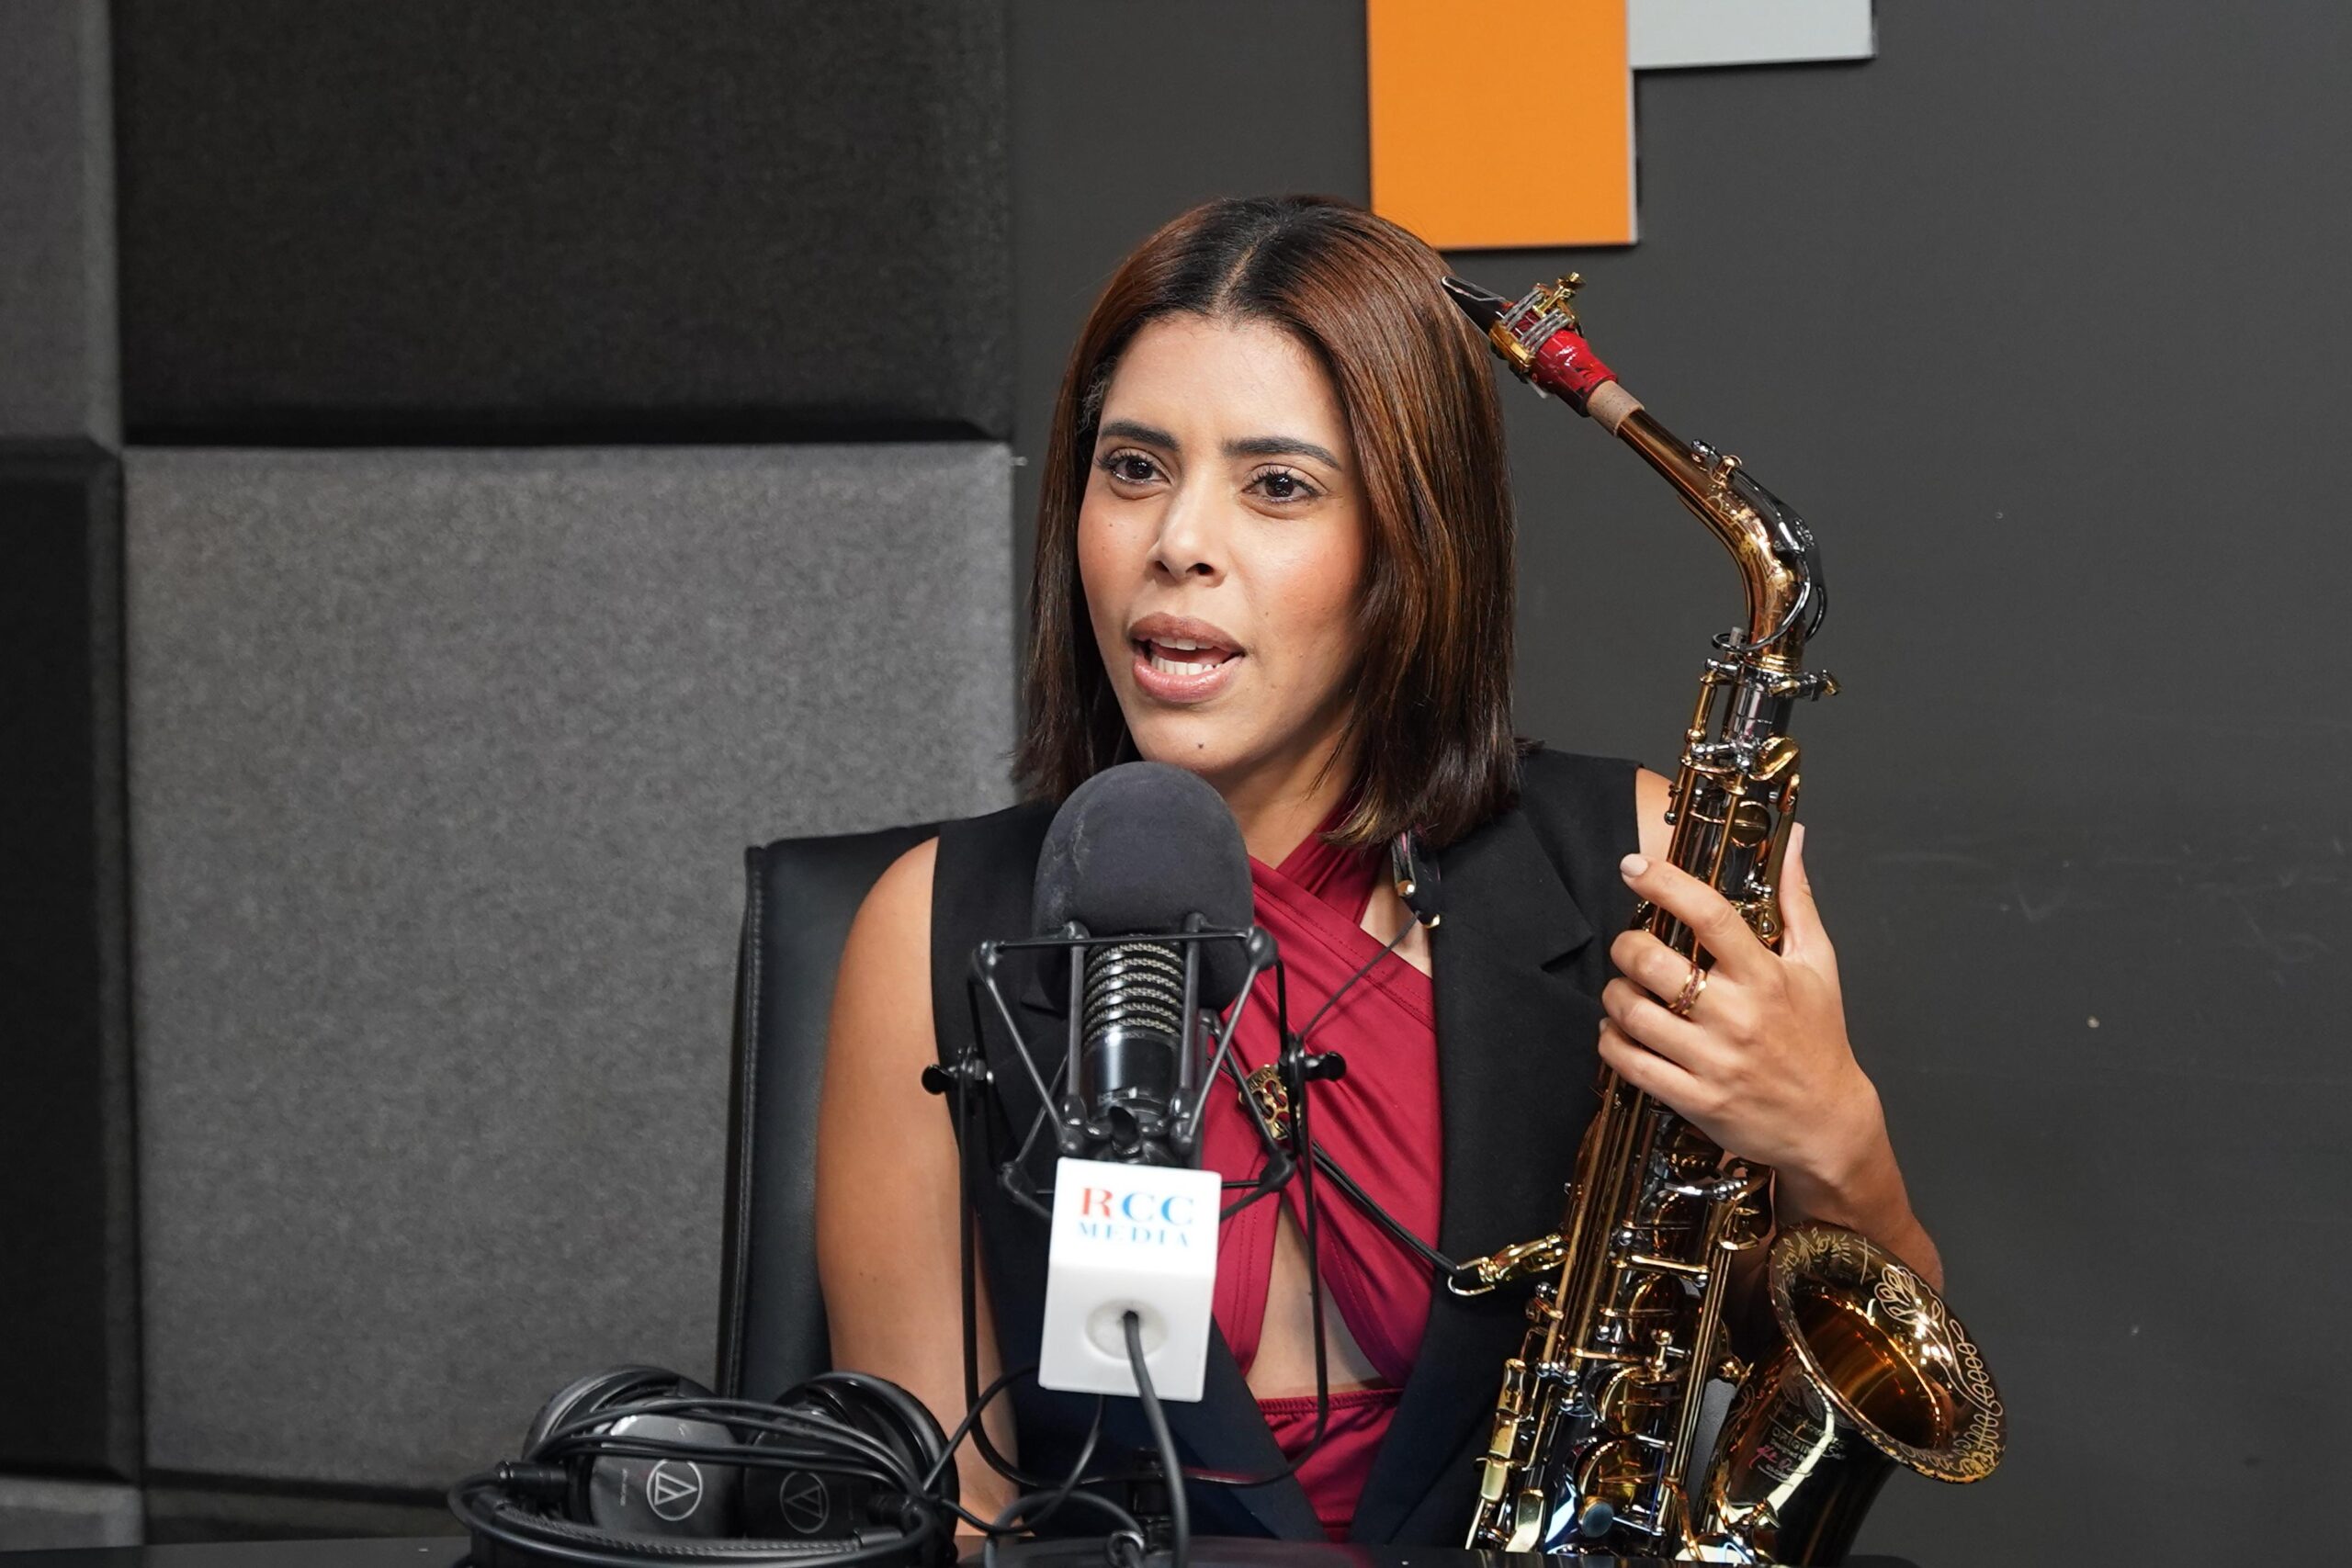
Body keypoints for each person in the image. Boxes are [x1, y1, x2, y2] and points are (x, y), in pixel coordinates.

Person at [814, 195, 1943, 1544]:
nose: (1179, 541)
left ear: (1409, 544)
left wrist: (1836, 1141)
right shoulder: (934, 928)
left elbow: (1859, 1363)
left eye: (1278, 486)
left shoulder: (1635, 871)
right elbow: (945, 1517)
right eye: (1134, 467)